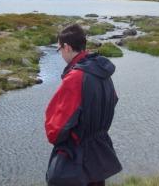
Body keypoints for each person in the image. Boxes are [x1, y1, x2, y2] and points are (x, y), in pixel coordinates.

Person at [45, 24, 122, 186]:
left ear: (66, 47)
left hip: (77, 158)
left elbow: (56, 129)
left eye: (59, 49)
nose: (60, 54)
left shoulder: (76, 77)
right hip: (99, 154)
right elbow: (112, 101)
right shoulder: (102, 71)